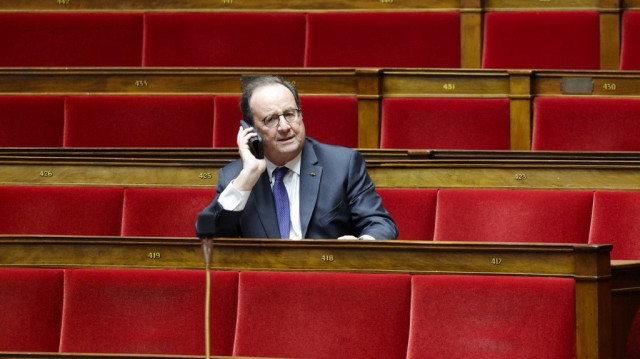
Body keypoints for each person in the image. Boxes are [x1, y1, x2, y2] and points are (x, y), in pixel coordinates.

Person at [196, 75, 397, 240]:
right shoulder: (236, 177)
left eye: (290, 114)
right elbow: (209, 237)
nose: (285, 127)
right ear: (251, 130)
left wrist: (361, 245)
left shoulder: (343, 164)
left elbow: (380, 224)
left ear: (300, 115)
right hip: (266, 282)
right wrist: (248, 177)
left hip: (327, 276)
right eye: (271, 119)